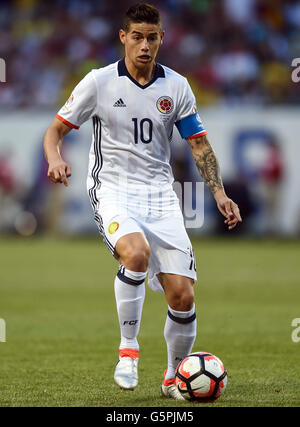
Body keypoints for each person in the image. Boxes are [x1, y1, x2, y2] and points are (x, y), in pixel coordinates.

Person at [43, 3, 242, 400]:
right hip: (112, 189)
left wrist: (218, 192)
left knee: (182, 296)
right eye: (137, 37)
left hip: (161, 197)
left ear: (162, 38)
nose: (145, 45)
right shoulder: (98, 83)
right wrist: (55, 158)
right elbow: (55, 131)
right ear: (123, 37)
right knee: (135, 254)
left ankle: (173, 378)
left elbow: (198, 144)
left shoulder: (177, 86)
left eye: (152, 37)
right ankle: (128, 352)